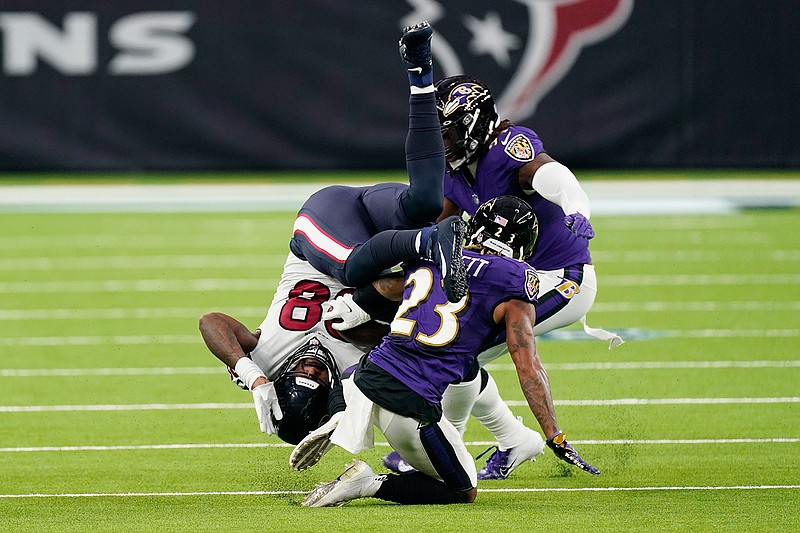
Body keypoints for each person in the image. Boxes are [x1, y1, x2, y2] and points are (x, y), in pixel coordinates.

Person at [199, 21, 469, 444]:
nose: (310, 366)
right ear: (331, 393)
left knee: (348, 268)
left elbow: (210, 321)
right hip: (378, 243)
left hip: (325, 227)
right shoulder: (353, 367)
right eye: (315, 377)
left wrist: (252, 376)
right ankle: (420, 76)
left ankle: (431, 239)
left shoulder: (267, 358)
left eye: (300, 372)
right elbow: (398, 330)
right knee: (426, 204)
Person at [378, 75, 623, 480]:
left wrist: (577, 207)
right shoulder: (455, 172)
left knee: (460, 348)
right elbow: (440, 228)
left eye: (451, 131)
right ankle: (510, 441)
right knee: (457, 346)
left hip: (559, 277)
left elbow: (555, 177)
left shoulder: (507, 149)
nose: (444, 142)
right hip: (510, 275)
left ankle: (448, 446)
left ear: (474, 124)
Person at [289, 196, 599, 508]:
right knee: (463, 491)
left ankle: (345, 412)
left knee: (464, 369)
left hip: (366, 375)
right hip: (408, 405)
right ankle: (369, 484)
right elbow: (528, 365)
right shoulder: (515, 280)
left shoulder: (434, 254)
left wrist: (357, 305)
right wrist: (554, 434)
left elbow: (389, 286)